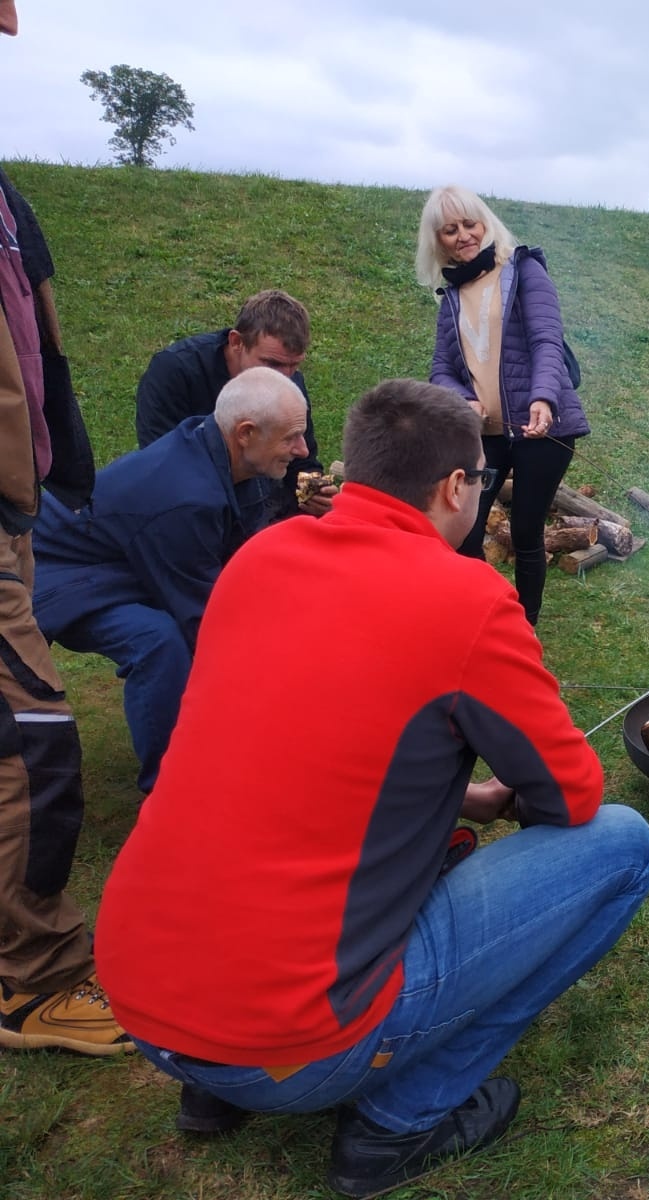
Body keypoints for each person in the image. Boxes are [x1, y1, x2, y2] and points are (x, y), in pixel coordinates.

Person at [94, 378, 649, 1198]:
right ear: (454, 487)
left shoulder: (259, 557)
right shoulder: (469, 600)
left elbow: (277, 739)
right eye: (481, 478)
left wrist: (448, 797)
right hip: (293, 1044)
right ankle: (399, 1123)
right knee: (623, 845)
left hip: (141, 998)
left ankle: (211, 1089)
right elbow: (572, 796)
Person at [0, 0, 128, 1058]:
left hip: (26, 509)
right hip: (15, 531)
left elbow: (39, 353)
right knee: (37, 747)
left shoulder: (7, 199)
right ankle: (32, 986)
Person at [32, 368, 303, 793]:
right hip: (57, 572)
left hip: (124, 559)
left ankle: (222, 746)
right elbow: (206, 621)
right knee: (159, 640)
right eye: (291, 437)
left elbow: (244, 566)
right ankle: (173, 788)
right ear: (246, 433)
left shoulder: (232, 460)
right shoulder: (187, 499)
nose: (302, 449)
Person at [416, 184, 590, 629]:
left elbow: (546, 341)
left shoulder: (524, 269)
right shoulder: (450, 296)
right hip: (486, 433)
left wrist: (542, 397)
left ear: (486, 222)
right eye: (450, 230)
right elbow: (441, 368)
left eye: (470, 224)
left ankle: (523, 629)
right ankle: (478, 618)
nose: (463, 236)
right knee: (466, 533)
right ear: (437, 240)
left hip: (543, 427)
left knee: (527, 531)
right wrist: (462, 399)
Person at [135, 288, 330, 519]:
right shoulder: (175, 371)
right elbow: (162, 462)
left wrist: (314, 493)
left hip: (268, 505)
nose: (285, 378)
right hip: (193, 504)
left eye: (294, 365)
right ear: (237, 342)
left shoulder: (288, 379)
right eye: (272, 364)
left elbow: (302, 459)